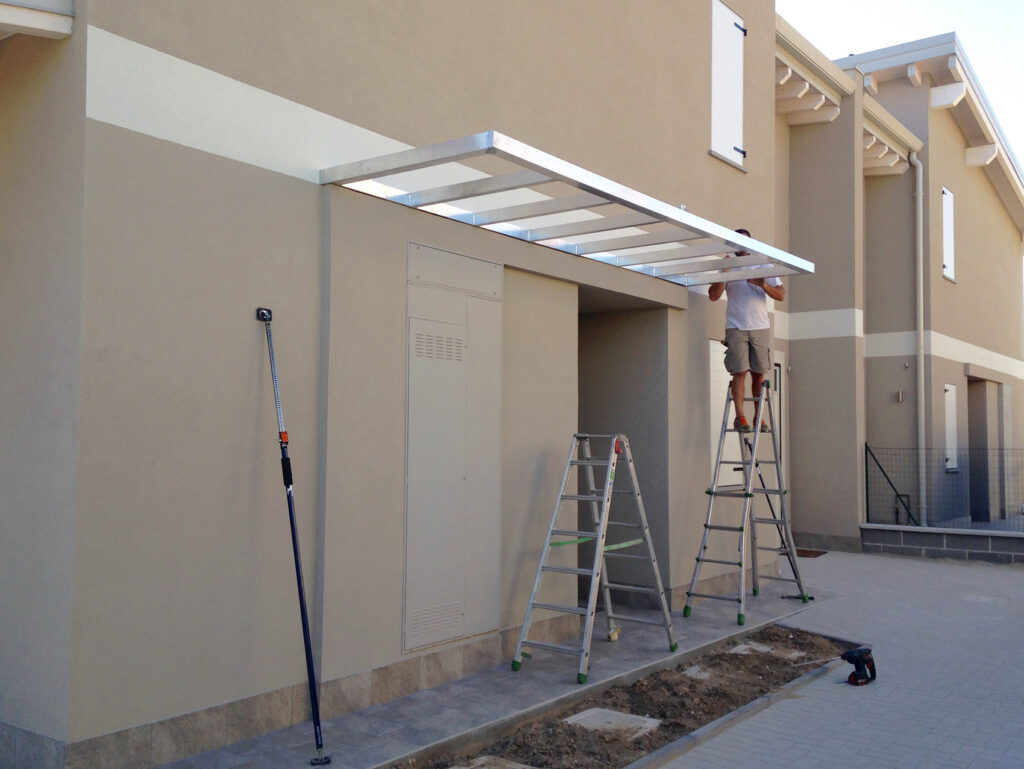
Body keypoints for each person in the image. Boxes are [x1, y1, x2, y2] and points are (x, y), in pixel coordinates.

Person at [708, 229, 784, 432]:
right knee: (739, 372)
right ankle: (740, 417)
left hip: (760, 326)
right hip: (736, 326)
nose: (741, 246)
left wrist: (763, 285)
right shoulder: (727, 264)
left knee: (758, 373)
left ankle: (759, 417)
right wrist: (724, 272)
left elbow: (781, 295)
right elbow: (713, 296)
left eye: (744, 242)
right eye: (737, 242)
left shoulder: (762, 263)